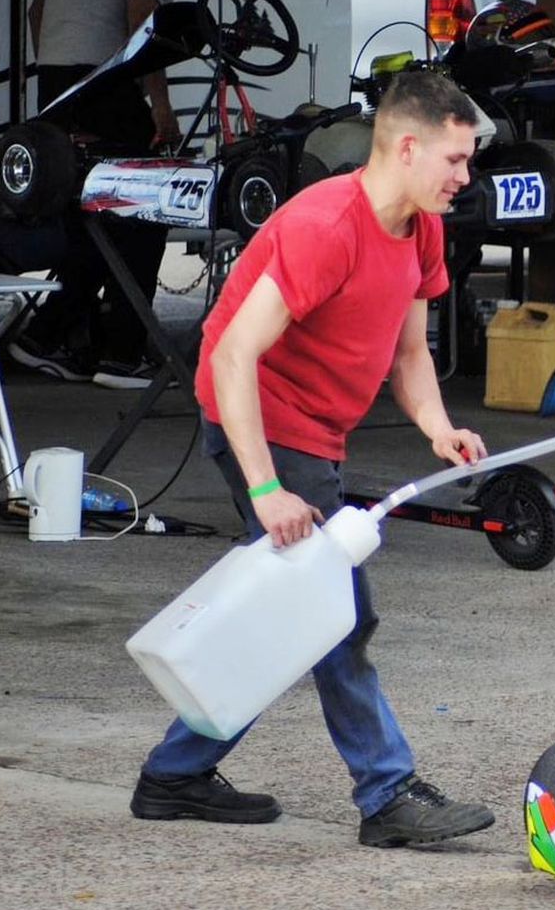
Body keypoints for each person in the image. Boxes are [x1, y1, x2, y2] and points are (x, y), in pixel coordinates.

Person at [129, 71, 496, 848]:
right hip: (261, 417)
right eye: (456, 159)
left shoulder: (423, 227)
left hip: (316, 432)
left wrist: (437, 427)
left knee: (288, 613)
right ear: (406, 146)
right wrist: (264, 488)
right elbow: (230, 356)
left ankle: (176, 772)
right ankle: (388, 793)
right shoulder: (325, 226)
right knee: (338, 613)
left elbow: (409, 352)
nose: (465, 177)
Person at [8, 0, 182, 388]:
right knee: (145, 206)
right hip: (106, 77)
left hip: (57, 80)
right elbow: (144, 17)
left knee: (87, 213)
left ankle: (50, 336)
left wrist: (62, 83)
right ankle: (122, 354)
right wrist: (159, 103)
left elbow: (37, 11)